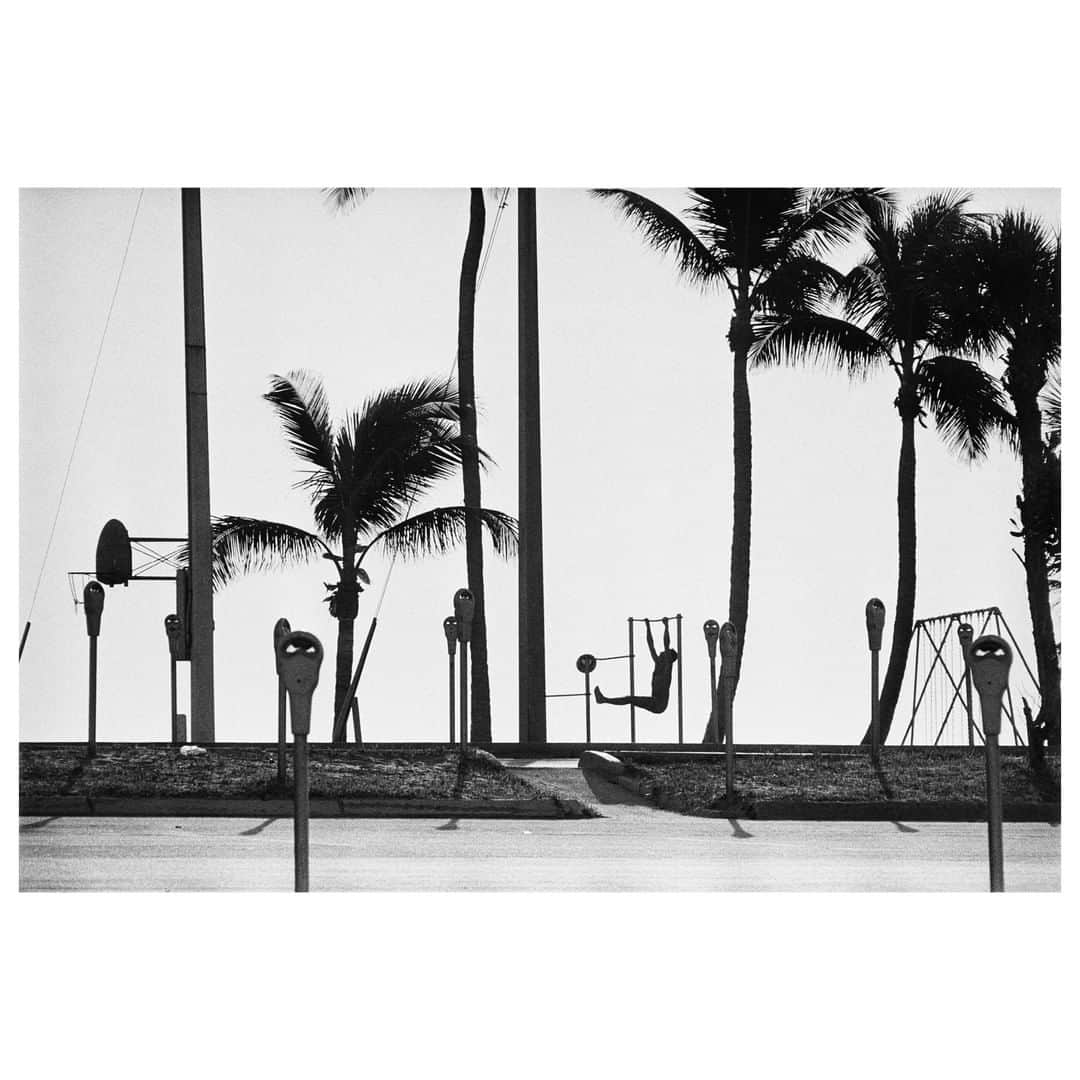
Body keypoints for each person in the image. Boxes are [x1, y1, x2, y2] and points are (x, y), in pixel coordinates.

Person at [594, 618, 679, 714]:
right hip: (655, 702)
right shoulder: (658, 663)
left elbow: (666, 644)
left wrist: (666, 626)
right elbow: (651, 645)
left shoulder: (667, 668)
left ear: (667, 657)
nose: (660, 653)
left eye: (663, 653)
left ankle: (604, 700)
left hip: (659, 704)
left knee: (630, 699)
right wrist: (647, 627)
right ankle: (604, 700)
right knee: (629, 699)